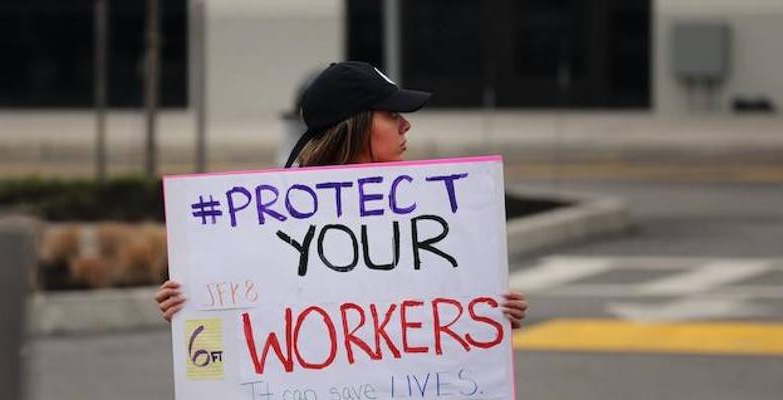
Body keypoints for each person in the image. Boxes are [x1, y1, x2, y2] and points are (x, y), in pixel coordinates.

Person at [155, 61, 529, 328]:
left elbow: (446, 311)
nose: (405, 124)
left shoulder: (431, 212)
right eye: (391, 114)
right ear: (357, 124)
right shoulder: (273, 219)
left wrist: (493, 315)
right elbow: (245, 304)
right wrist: (191, 304)